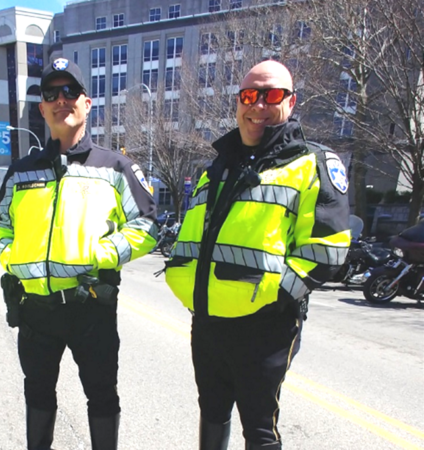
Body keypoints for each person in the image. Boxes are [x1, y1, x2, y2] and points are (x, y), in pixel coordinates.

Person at [165, 60, 351, 450]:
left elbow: (328, 249)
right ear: (238, 102)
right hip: (209, 322)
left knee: (260, 429)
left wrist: (277, 298)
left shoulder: (311, 163)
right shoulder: (218, 166)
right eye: (250, 96)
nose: (259, 106)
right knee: (212, 412)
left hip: (264, 328)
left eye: (272, 96)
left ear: (291, 101)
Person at [0, 58, 158, 450]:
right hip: (35, 308)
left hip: (90, 306)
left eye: (70, 92)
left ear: (86, 103)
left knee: (101, 395)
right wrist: (11, 255)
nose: (60, 100)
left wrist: (103, 253)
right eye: (52, 93)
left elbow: (148, 225)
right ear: (42, 107)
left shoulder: (117, 167)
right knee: (38, 395)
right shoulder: (20, 171)